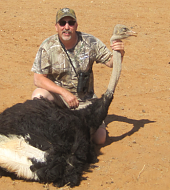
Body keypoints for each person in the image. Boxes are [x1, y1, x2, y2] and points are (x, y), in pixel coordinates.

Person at [31, 8, 125, 145]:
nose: (66, 27)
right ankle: (42, 131)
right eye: (62, 23)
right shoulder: (48, 46)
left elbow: (111, 63)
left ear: (76, 25)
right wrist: (64, 93)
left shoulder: (90, 42)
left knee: (100, 139)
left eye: (71, 22)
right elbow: (38, 78)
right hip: (59, 99)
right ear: (56, 26)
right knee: (39, 95)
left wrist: (119, 52)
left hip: (84, 100)